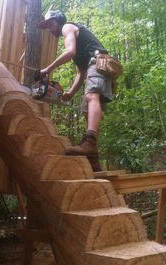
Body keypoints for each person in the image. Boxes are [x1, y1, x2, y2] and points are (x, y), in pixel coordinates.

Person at [38, 10, 113, 170]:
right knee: (87, 111)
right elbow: (81, 73)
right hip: (95, 65)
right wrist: (70, 93)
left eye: (51, 24)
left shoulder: (67, 27)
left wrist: (48, 69)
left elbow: (69, 50)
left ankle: (89, 143)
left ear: (58, 20)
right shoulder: (79, 51)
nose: (50, 29)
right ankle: (94, 159)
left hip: (99, 62)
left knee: (91, 96)